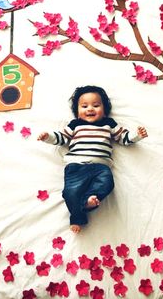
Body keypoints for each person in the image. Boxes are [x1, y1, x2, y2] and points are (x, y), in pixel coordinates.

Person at [37, 85, 148, 233]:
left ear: (104, 109)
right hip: (76, 166)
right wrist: (48, 137)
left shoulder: (109, 124)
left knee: (107, 184)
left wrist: (137, 135)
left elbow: (123, 138)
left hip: (100, 167)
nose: (90, 109)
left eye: (96, 105)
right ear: (77, 111)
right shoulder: (75, 125)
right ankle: (77, 217)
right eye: (84, 106)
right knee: (70, 192)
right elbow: (62, 138)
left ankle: (89, 200)